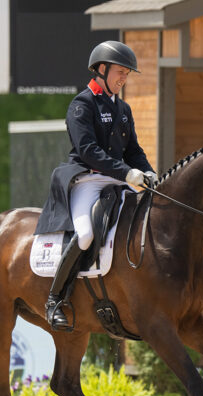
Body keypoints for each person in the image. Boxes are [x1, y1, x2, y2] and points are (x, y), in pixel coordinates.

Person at [34, 41, 156, 331]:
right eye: (119, 72)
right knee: (87, 234)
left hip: (118, 179)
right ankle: (55, 299)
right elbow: (88, 150)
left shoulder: (123, 109)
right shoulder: (82, 105)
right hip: (88, 179)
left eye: (127, 73)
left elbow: (134, 150)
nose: (124, 78)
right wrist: (127, 173)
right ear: (101, 70)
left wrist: (148, 171)